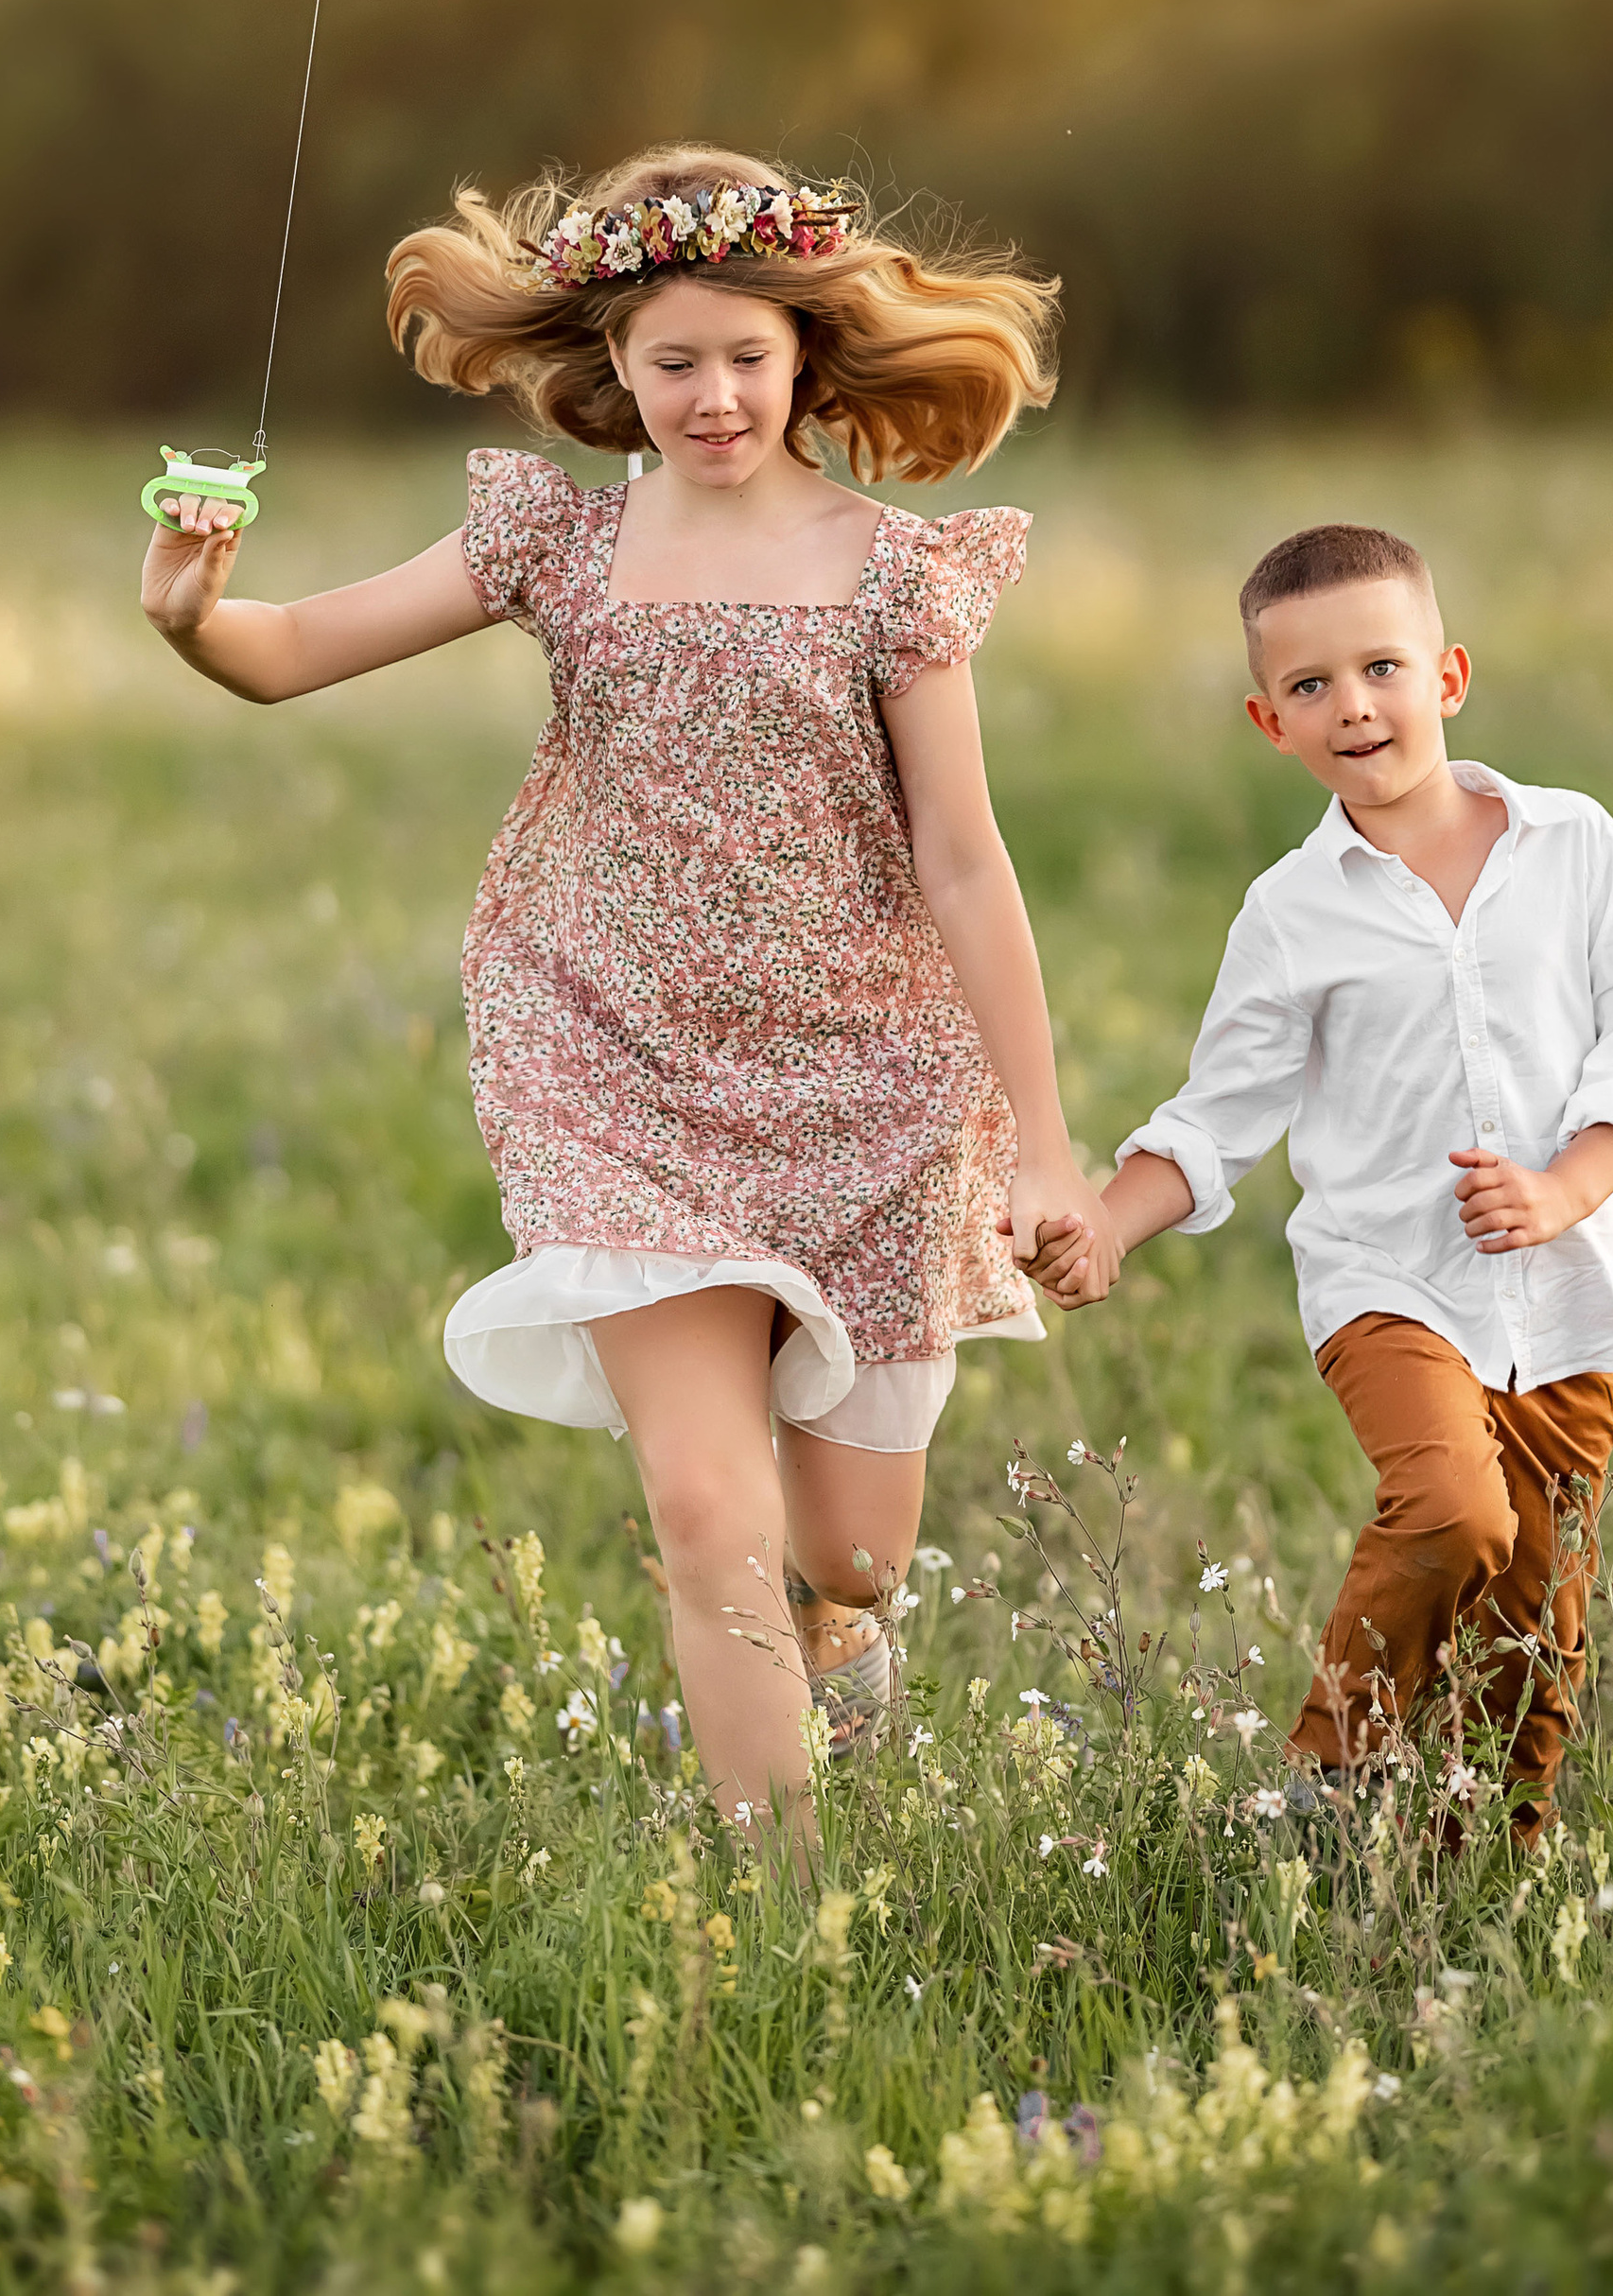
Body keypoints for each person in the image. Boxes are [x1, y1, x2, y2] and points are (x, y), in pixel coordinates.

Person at [140, 145, 1113, 1840]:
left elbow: (967, 863)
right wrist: (191, 614)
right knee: (706, 1510)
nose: (714, 397)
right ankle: (784, 1900)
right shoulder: (560, 545)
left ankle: (843, 1633)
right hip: (612, 1061)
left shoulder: (897, 575)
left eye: (746, 356)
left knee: (851, 1553)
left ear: (806, 353)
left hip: (868, 1078)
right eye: (676, 363)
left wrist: (1044, 1145)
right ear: (616, 363)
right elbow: (288, 654)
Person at [1030, 521, 1613, 1838]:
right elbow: (1219, 1114)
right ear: (1270, 723)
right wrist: (1105, 1224)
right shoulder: (1292, 911)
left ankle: (1474, 1877)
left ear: (1449, 676)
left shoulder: (1573, 843)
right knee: (1451, 1510)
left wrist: (1567, 1187)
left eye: (1382, 668)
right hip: (1388, 1282)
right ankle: (1330, 1772)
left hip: (1565, 1297)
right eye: (1311, 685)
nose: (1354, 706)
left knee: (1534, 1628)